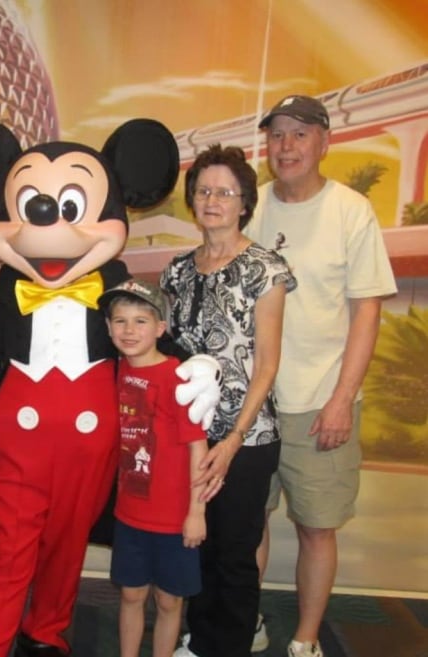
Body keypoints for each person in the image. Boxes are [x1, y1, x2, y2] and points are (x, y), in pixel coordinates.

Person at [245, 95, 397, 657]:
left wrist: (342, 399)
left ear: (324, 142)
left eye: (299, 134)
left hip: (318, 403)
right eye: (277, 135)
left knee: (317, 526)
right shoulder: (251, 207)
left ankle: (306, 639)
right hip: (254, 402)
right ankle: (247, 621)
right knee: (247, 521)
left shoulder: (351, 211)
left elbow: (366, 312)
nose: (286, 146)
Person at [160, 144, 296, 657]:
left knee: (236, 551)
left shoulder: (267, 269)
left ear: (244, 203)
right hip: (190, 431)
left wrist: (235, 438)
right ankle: (201, 638)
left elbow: (266, 364)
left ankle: (231, 645)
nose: (212, 199)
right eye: (203, 191)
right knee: (197, 544)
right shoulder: (177, 271)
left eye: (224, 192)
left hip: (248, 434)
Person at [97, 279, 208, 657]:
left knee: (169, 602)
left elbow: (198, 448)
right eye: (120, 321)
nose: (129, 331)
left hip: (174, 517)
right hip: (130, 514)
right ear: (109, 328)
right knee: (130, 595)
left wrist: (196, 511)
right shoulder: (114, 372)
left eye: (141, 321)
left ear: (161, 328)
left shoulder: (178, 378)